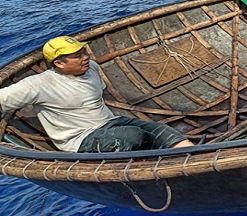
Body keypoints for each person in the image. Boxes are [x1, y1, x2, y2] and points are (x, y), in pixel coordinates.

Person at [0, 36, 194, 153]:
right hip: (79, 139)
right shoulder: (37, 85)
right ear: (59, 63)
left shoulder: (92, 67)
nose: (85, 58)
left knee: (156, 128)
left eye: (84, 52)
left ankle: (191, 153)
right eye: (77, 56)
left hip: (110, 122)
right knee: (132, 136)